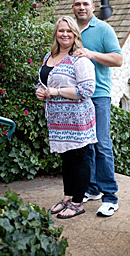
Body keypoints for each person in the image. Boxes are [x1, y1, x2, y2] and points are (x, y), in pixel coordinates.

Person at [35, 15, 97, 219]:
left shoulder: (80, 59)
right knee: (67, 158)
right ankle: (68, 197)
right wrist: (40, 91)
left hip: (77, 118)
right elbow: (45, 81)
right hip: (57, 119)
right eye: (61, 30)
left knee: (79, 158)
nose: (65, 34)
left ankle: (78, 202)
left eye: (69, 30)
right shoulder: (49, 56)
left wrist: (55, 92)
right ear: (56, 33)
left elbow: (86, 90)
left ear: (75, 34)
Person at [72, 0, 123, 217]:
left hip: (100, 95)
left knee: (102, 144)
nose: (81, 8)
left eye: (85, 4)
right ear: (73, 7)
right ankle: (91, 189)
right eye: (77, 4)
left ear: (93, 6)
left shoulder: (104, 30)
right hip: (78, 95)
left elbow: (118, 59)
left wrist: (91, 54)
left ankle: (110, 197)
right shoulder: (71, 31)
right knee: (87, 145)